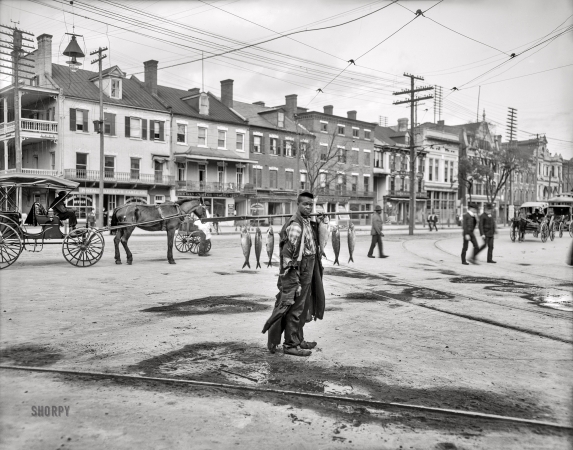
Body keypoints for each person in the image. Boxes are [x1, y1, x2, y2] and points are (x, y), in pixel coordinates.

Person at [262, 191, 325, 357]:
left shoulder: (306, 221)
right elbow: (288, 256)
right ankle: (290, 344)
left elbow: (312, 244)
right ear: (298, 205)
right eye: (306, 204)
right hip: (298, 271)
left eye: (311, 205)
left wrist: (318, 221)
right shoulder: (296, 225)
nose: (309, 207)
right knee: (295, 308)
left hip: (308, 267)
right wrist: (294, 281)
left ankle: (299, 339)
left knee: (303, 307)